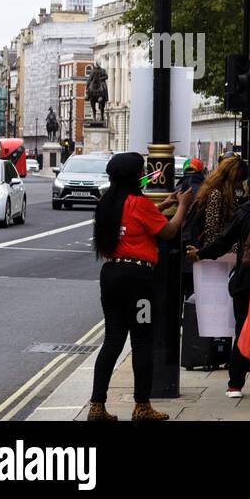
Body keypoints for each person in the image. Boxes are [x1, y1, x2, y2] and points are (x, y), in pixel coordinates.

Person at [87, 152, 193, 421]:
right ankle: (142, 406)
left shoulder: (106, 203)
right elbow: (168, 232)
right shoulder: (140, 203)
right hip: (138, 279)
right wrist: (182, 205)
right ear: (134, 176)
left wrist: (162, 204)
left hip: (110, 274)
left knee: (112, 339)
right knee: (142, 340)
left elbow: (131, 222)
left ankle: (97, 406)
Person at [186, 166, 250, 399]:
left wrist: (201, 253)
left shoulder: (247, 210)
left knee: (243, 329)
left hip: (246, 281)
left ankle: (235, 385)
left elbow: (224, 241)